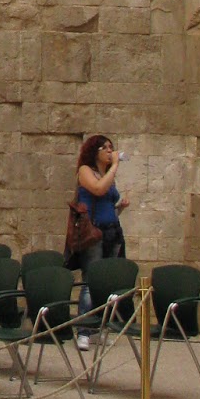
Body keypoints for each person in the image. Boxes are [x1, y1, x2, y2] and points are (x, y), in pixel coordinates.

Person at [73, 133, 130, 348]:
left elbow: (108, 205)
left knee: (106, 282)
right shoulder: (85, 171)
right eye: (105, 148)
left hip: (112, 231)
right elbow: (97, 189)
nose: (109, 151)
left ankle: (99, 326)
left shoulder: (108, 175)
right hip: (93, 233)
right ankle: (83, 330)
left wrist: (120, 207)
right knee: (90, 281)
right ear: (94, 151)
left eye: (111, 148)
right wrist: (114, 165)